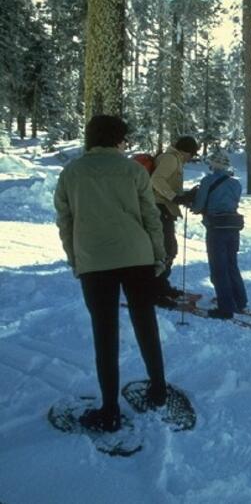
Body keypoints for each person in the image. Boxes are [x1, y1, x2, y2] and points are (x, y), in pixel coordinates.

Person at [54, 115, 168, 432]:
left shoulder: (71, 172)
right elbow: (151, 217)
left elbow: (66, 222)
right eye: (123, 138)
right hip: (138, 257)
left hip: (95, 263)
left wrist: (75, 259)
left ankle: (110, 410)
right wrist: (158, 256)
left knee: (104, 335)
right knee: (145, 323)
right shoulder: (133, 170)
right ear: (117, 140)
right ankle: (158, 389)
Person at [191, 149, 247, 319]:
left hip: (216, 228)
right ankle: (240, 301)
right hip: (233, 226)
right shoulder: (236, 183)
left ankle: (225, 308)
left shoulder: (207, 181)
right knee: (231, 264)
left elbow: (198, 206)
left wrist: (191, 204)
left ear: (213, 165)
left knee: (218, 268)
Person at [151, 135, 200, 306]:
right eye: (191, 154)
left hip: (164, 208)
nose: (191, 158)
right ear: (185, 151)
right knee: (166, 250)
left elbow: (167, 184)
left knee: (168, 249)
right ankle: (156, 291)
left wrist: (183, 196)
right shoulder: (171, 159)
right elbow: (156, 180)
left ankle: (162, 287)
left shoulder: (173, 158)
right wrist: (175, 198)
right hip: (159, 209)